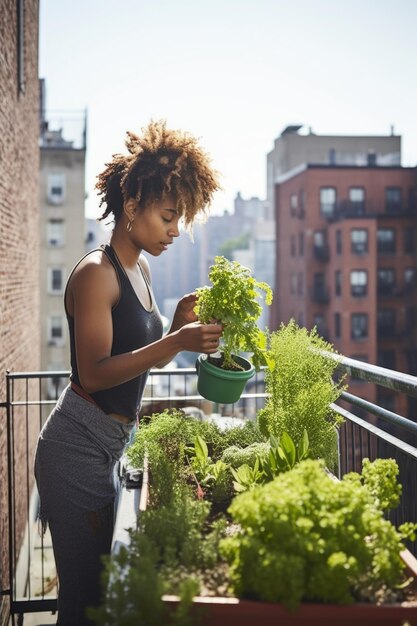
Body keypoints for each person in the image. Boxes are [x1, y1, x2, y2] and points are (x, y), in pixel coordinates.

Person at [34, 120, 223, 626]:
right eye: (167, 216)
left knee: (103, 592)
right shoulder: (97, 273)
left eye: (179, 217)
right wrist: (175, 341)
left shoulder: (139, 268)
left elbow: (141, 351)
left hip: (112, 443)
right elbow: (95, 375)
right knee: (88, 599)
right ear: (132, 204)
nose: (175, 230)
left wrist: (178, 326)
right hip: (75, 449)